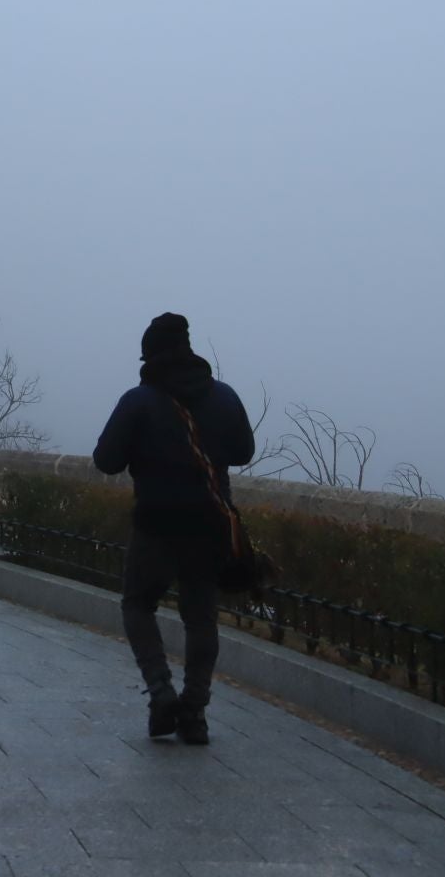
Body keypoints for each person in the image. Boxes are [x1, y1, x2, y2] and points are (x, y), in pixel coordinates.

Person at [92, 312, 254, 745]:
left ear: (150, 356)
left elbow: (106, 460)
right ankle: (195, 712)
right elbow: (243, 451)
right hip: (208, 529)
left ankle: (161, 692)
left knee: (137, 605)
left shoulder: (139, 401)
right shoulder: (223, 396)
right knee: (201, 619)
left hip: (156, 527)